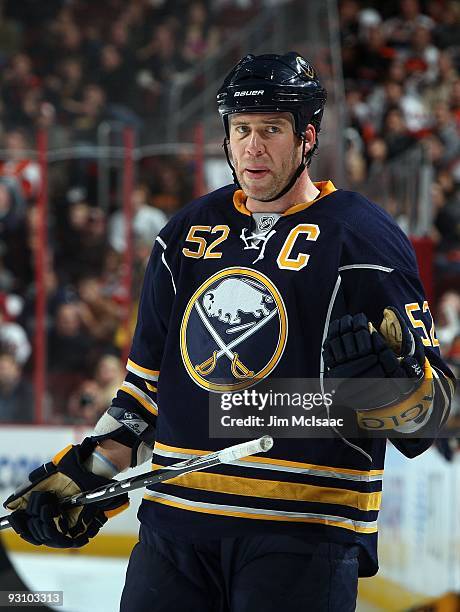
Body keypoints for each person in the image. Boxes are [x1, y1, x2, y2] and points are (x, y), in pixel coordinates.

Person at [3, 52, 455, 611]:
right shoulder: (187, 233)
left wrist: (385, 396)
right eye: (241, 129)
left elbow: (433, 416)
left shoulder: (361, 239)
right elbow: (143, 394)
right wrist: (86, 474)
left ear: (306, 137)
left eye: (270, 129)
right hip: (174, 535)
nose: (252, 147)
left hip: (302, 536)